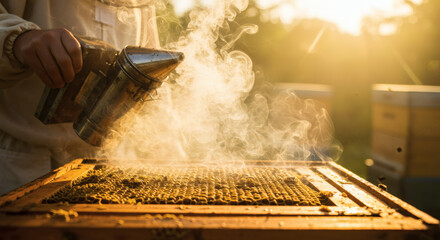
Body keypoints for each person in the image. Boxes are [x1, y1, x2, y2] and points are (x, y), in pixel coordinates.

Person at [0, 0, 160, 195]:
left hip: (108, 161)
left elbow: (151, 64)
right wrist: (17, 39)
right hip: (21, 163)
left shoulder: (143, 4)